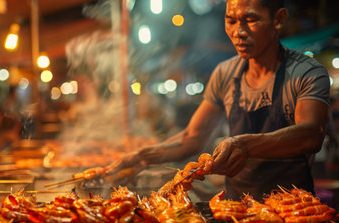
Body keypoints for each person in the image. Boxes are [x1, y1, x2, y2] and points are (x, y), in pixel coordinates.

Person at [102, 0, 330, 201]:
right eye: (230, 20)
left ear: (278, 19)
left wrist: (244, 145)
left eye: (251, 20)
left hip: (296, 209)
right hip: (236, 210)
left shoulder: (306, 72)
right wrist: (141, 157)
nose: (238, 31)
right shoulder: (225, 74)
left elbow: (311, 135)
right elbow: (192, 137)